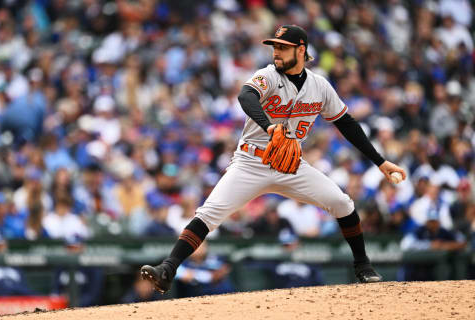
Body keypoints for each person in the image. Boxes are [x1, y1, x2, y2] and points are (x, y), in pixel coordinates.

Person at [141, 25, 406, 293]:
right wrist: (269, 126)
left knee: (342, 203)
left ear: (301, 50)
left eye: (282, 47)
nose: (276, 52)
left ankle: (362, 266)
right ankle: (168, 269)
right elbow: (246, 96)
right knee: (209, 214)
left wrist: (380, 161)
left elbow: (346, 123)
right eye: (275, 47)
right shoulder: (267, 75)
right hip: (251, 162)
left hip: (291, 166)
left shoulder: (319, 86)